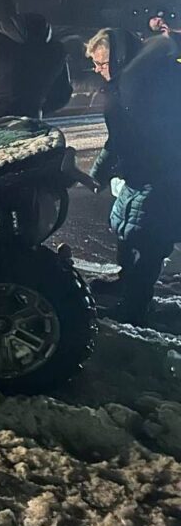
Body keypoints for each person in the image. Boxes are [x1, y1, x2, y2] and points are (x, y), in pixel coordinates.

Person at [86, 27, 181, 325]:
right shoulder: (127, 83)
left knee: (151, 242)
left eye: (102, 63)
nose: (99, 70)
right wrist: (100, 173)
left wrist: (100, 172)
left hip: (163, 176)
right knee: (126, 228)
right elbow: (119, 139)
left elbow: (131, 137)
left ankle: (135, 307)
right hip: (141, 174)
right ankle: (126, 281)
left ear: (118, 57)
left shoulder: (147, 84)